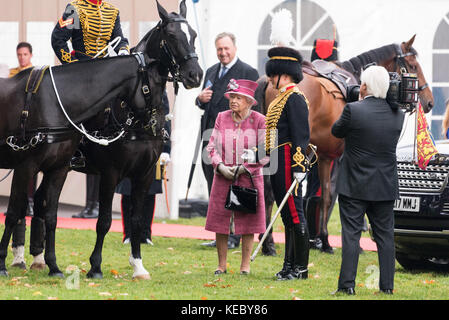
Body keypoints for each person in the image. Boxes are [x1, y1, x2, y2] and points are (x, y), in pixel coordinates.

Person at [51, 0, 129, 219]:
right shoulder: (76, 8)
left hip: (105, 76)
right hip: (81, 76)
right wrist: (73, 63)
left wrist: (123, 49)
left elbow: (119, 39)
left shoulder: (112, 12)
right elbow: (58, 39)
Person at [331, 65, 404, 295]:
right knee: (385, 237)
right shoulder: (398, 115)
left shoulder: (353, 110)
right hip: (384, 184)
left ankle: (347, 286)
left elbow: (336, 131)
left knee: (351, 235)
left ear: (363, 86)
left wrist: (355, 100)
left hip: (354, 183)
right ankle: (387, 287)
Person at [197, 32, 259, 249]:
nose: (223, 53)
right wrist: (200, 99)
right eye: (219, 49)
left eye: (226, 48)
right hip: (210, 138)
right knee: (214, 187)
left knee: (237, 186)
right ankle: (221, 234)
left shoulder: (248, 72)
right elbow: (206, 103)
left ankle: (236, 235)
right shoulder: (211, 71)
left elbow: (253, 108)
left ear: (234, 47)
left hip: (236, 141)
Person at [205, 78, 267, 275]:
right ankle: (221, 265)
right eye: (232, 96)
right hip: (223, 175)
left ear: (249, 101)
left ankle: (245, 266)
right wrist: (220, 166)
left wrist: (244, 167)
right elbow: (211, 146)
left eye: (238, 97)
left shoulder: (260, 120)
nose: (233, 101)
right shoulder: (221, 117)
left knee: (248, 221)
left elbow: (266, 152)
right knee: (220, 221)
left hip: (249, 177)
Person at [264, 46, 311, 281]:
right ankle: (288, 266)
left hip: (288, 162)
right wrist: (262, 154)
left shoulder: (295, 98)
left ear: (284, 73)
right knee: (286, 216)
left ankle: (300, 268)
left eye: (273, 74)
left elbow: (301, 137)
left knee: (295, 214)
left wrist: (299, 168)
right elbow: (273, 135)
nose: (271, 79)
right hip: (276, 161)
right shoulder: (279, 99)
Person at [117, 92, 171, 245]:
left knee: (150, 191)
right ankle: (128, 233)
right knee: (127, 191)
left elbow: (165, 117)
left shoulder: (158, 89)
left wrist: (166, 149)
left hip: (151, 146)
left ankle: (146, 234)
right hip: (128, 144)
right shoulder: (129, 86)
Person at [9, 42, 37, 217]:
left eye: (25, 54)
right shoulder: (12, 74)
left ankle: (30, 201)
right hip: (13, 125)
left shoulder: (36, 74)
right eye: (19, 54)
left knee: (31, 165)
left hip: (30, 125)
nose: (22, 57)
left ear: (31, 55)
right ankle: (17, 202)